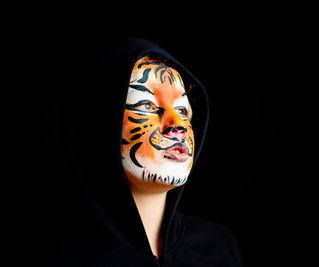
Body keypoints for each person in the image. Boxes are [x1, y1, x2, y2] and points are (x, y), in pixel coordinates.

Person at [47, 38, 243, 266]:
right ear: (98, 126)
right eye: (146, 105)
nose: (177, 124)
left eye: (182, 109)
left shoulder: (218, 247)